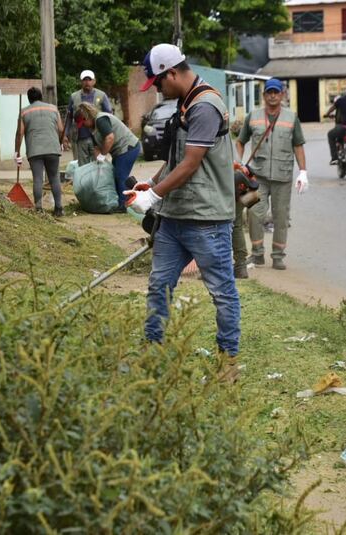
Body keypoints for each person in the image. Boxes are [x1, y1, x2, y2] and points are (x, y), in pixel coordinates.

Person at [126, 43, 241, 383]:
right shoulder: (185, 103)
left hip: (207, 220)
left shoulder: (205, 106)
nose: (157, 90)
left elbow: (192, 164)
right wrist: (150, 184)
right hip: (175, 218)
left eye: (158, 83)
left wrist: (155, 196)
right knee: (159, 285)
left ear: (172, 73)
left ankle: (227, 364)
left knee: (222, 293)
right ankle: (152, 351)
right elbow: (176, 160)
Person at [233, 78, 308, 272]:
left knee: (281, 217)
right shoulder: (254, 116)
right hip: (256, 177)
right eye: (269, 92)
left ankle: (278, 256)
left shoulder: (292, 118)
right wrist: (239, 163)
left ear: (282, 95)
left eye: (276, 92)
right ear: (264, 95)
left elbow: (298, 145)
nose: (273, 95)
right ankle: (257, 254)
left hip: (283, 177)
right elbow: (240, 141)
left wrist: (303, 172)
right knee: (252, 213)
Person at [73, 102, 140, 213]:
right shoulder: (93, 128)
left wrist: (103, 156)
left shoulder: (101, 120)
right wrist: (98, 163)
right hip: (119, 151)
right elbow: (96, 148)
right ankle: (129, 194)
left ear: (87, 117)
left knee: (120, 176)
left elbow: (110, 138)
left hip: (128, 147)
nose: (83, 125)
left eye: (83, 122)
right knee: (115, 175)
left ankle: (123, 206)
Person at [14, 87, 65, 217]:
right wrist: (61, 143)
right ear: (41, 96)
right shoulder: (53, 108)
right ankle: (59, 208)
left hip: (34, 150)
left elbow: (20, 134)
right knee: (54, 178)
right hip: (53, 148)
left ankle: (39, 209)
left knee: (37, 179)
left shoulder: (24, 112)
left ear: (29, 98)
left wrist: (17, 152)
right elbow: (60, 129)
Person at [64, 70, 112, 165]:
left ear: (94, 81)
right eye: (84, 80)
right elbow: (69, 117)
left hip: (97, 138)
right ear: (81, 82)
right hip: (80, 138)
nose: (87, 82)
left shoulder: (101, 96)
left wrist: (109, 133)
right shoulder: (74, 97)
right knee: (82, 166)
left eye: (89, 80)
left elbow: (109, 115)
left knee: (98, 165)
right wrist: (65, 135)